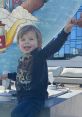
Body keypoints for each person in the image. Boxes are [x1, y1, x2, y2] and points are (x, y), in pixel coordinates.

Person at [0, 19, 78, 117]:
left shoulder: (39, 56)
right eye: (23, 39)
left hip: (35, 99)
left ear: (38, 42)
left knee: (16, 113)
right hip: (22, 98)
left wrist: (65, 31)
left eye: (31, 39)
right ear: (19, 44)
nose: (26, 42)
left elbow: (54, 46)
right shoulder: (22, 59)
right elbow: (22, 76)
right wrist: (7, 75)